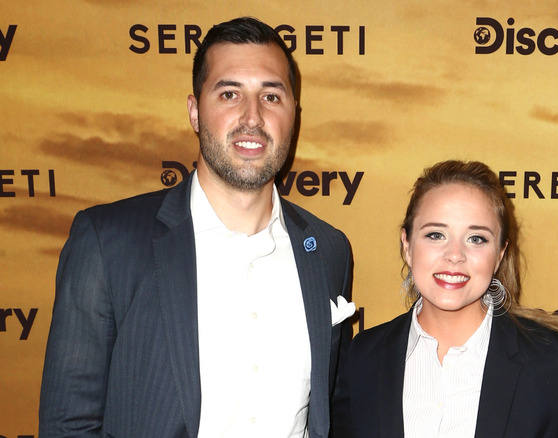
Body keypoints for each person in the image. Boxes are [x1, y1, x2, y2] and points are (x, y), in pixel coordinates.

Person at [39, 17, 354, 438]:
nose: (252, 117)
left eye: (271, 96)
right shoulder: (107, 243)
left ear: (293, 115)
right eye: (229, 94)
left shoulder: (328, 250)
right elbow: (69, 425)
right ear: (194, 111)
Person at [331, 160, 558, 437]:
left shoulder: (554, 362)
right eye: (436, 235)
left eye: (476, 239)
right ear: (407, 245)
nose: (455, 255)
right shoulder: (363, 357)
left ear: (500, 254)